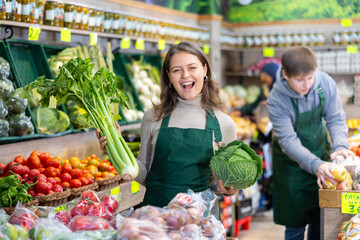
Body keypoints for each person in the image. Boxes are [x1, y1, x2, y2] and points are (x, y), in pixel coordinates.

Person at [97, 41, 237, 207]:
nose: (185, 75)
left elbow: (218, 184)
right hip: (157, 219)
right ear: (168, 76)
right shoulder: (153, 117)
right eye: (177, 70)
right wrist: (114, 148)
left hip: (199, 222)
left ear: (205, 70)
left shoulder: (224, 123)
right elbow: (144, 174)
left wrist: (227, 188)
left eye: (192, 68)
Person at [266, 46, 354, 240]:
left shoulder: (325, 83)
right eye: (299, 80)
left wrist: (340, 146)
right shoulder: (276, 100)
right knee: (295, 224)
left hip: (322, 154)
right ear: (286, 75)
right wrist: (315, 165)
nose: (306, 85)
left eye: (310, 77)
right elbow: (288, 142)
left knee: (321, 219)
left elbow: (336, 118)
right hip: (292, 167)